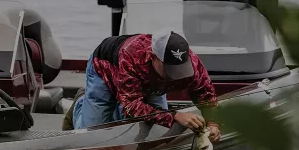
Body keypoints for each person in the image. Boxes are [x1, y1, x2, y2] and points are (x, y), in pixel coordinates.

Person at [69, 30, 222, 141]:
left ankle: (116, 106)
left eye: (180, 68)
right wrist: (175, 116)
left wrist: (213, 124)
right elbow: (131, 107)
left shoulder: (193, 63)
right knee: (93, 135)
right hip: (104, 70)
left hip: (151, 84)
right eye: (170, 68)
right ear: (154, 57)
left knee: (157, 129)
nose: (176, 74)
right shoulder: (131, 56)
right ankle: (79, 104)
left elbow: (206, 95)